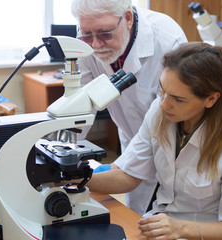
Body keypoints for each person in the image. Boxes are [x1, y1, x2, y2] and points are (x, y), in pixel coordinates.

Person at [87, 42, 222, 240]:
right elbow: (128, 175)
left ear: (211, 99)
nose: (164, 103)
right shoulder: (160, 113)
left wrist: (180, 228)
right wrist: (74, 178)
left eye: (178, 98)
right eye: (162, 90)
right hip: (162, 227)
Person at [71, 0, 188, 216]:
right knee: (135, 217)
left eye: (105, 33)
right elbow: (81, 104)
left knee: (171, 218)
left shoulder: (168, 39)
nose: (95, 45)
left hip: (171, 146)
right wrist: (64, 153)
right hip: (132, 138)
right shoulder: (85, 45)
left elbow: (179, 112)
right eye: (87, 34)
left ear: (127, 19)